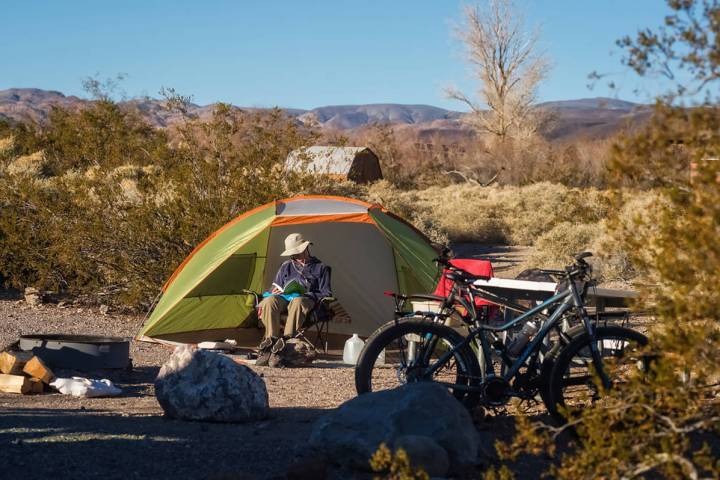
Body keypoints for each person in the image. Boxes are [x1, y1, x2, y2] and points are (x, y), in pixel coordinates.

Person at [256, 233, 332, 365]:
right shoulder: (286, 266)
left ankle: (286, 344)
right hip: (284, 297)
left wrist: (307, 294)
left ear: (305, 249)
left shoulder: (321, 268)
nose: (294, 256)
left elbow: (326, 293)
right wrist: (273, 291)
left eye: (296, 253)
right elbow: (275, 286)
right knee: (269, 301)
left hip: (304, 299)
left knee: (298, 301)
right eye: (292, 254)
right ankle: (271, 343)